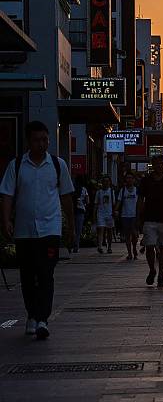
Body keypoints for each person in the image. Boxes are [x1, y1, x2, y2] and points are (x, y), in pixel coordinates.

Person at [0, 121, 75, 339]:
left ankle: (43, 319)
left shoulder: (57, 164)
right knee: (27, 275)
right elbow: (6, 196)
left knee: (45, 274)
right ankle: (32, 315)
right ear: (28, 142)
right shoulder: (16, 166)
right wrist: (5, 221)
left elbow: (66, 196)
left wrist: (70, 225)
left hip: (50, 230)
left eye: (45, 140)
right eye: (37, 140)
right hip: (24, 231)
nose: (42, 144)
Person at [137, 155, 163, 287]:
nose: (159, 166)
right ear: (152, 165)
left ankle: (161, 275)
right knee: (149, 246)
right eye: (157, 163)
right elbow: (140, 200)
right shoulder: (146, 180)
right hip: (150, 218)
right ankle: (152, 270)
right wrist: (138, 217)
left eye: (162, 163)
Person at [115, 171, 139, 261]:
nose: (129, 180)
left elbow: (140, 203)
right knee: (127, 235)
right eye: (127, 178)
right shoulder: (123, 190)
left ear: (134, 180)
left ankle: (134, 248)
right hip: (125, 216)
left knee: (135, 235)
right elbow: (119, 201)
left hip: (134, 216)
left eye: (131, 178)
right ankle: (129, 253)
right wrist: (116, 210)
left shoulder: (137, 190)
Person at [94, 175, 115, 254]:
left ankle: (109, 247)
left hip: (109, 214)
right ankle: (99, 246)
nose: (106, 183)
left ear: (109, 182)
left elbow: (113, 203)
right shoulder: (99, 192)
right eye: (104, 181)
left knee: (109, 231)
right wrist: (94, 214)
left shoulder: (111, 191)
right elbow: (96, 204)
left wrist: (114, 212)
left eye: (107, 181)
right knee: (101, 230)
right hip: (101, 213)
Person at [73, 175, 89, 253]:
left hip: (72, 210)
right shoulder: (84, 189)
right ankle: (76, 246)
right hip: (80, 210)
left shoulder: (72, 189)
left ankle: (70, 245)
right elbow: (87, 201)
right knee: (78, 230)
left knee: (72, 228)